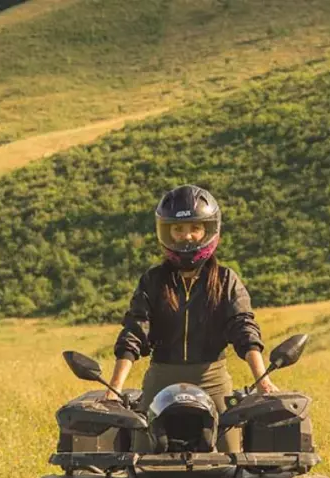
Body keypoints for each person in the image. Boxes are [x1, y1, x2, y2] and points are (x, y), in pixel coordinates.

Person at [106, 184, 275, 452]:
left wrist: (263, 379)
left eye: (195, 229)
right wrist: (114, 388)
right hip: (162, 377)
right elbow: (135, 332)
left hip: (212, 378)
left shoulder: (225, 280)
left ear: (209, 230)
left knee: (230, 454)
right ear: (166, 231)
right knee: (139, 453)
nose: (187, 237)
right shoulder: (152, 281)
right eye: (178, 229)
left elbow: (244, 329)